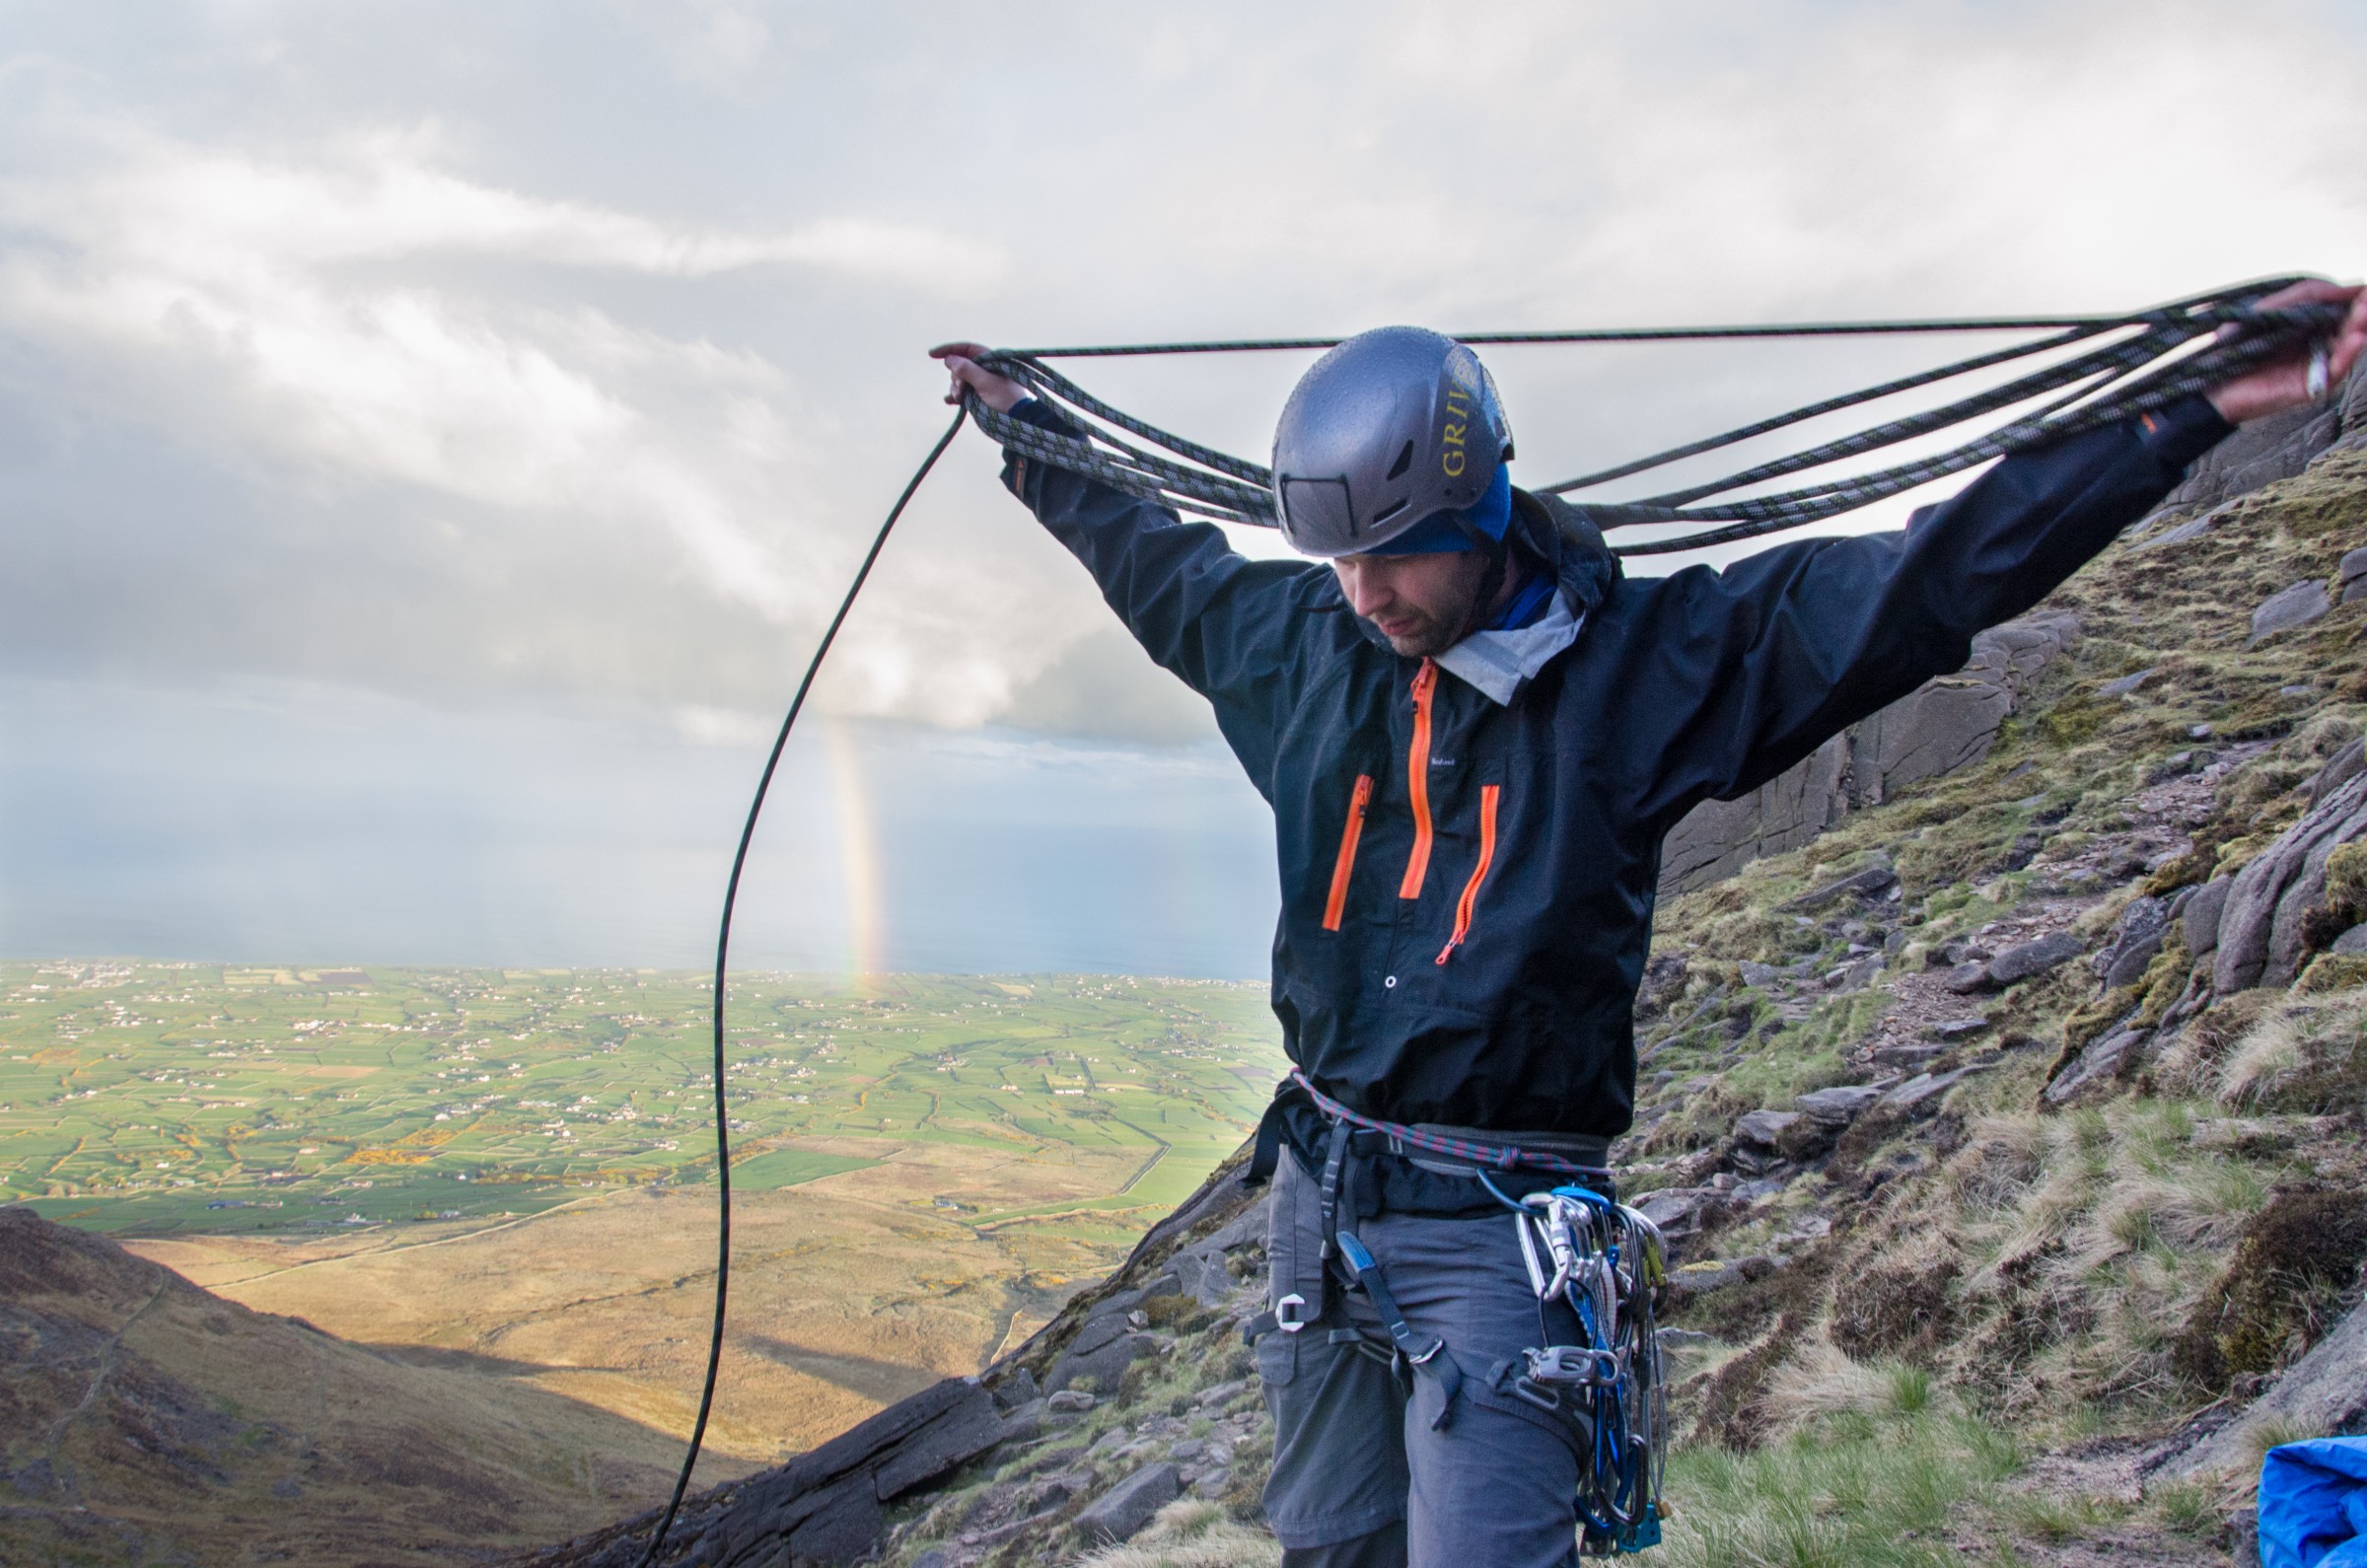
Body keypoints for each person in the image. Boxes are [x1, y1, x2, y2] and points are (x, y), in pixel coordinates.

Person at [932, 277, 2367, 1568]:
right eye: (1340, 561)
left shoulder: (1648, 668)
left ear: (1483, 508)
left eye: (1398, 556)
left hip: (1498, 1230)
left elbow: (1921, 582)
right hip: (1322, 1191)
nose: (1366, 595)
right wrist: (1023, 430)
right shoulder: (1308, 647)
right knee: (1330, 1544)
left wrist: (2183, 415)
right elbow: (1157, 562)